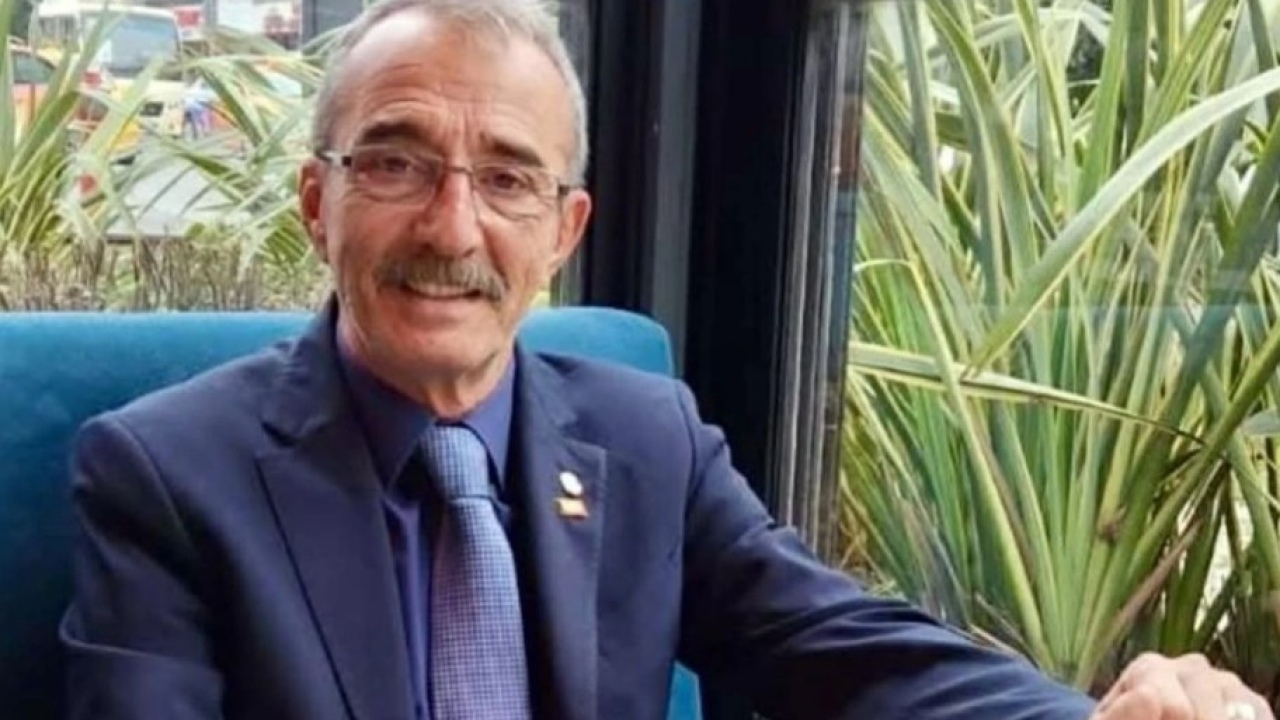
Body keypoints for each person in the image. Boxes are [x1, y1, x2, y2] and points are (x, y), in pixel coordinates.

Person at [57, 0, 1272, 718]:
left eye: (509, 179)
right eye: (395, 163)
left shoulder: (646, 441)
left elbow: (843, 653)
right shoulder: (165, 477)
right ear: (318, 203)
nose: (452, 227)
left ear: (563, 232)